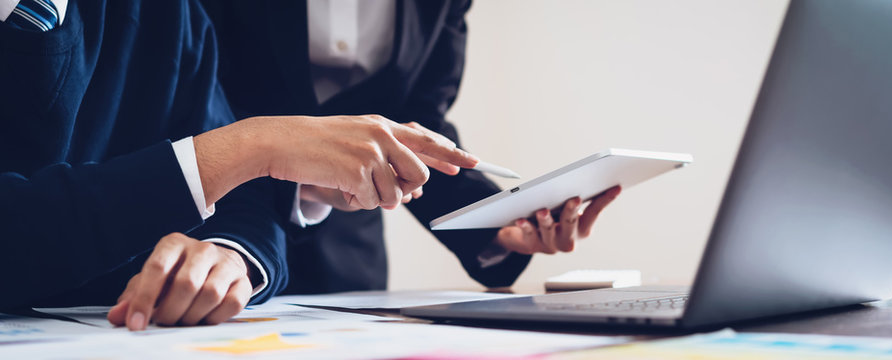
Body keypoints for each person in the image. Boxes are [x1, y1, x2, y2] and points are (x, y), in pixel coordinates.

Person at [0, 0, 475, 330]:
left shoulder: (172, 15)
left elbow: (239, 191)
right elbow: (228, 153)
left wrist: (230, 253)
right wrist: (253, 147)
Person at [200, 0, 622, 294]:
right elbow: (194, 98)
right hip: (206, 235)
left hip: (349, 258)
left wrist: (495, 226)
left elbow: (418, 129)